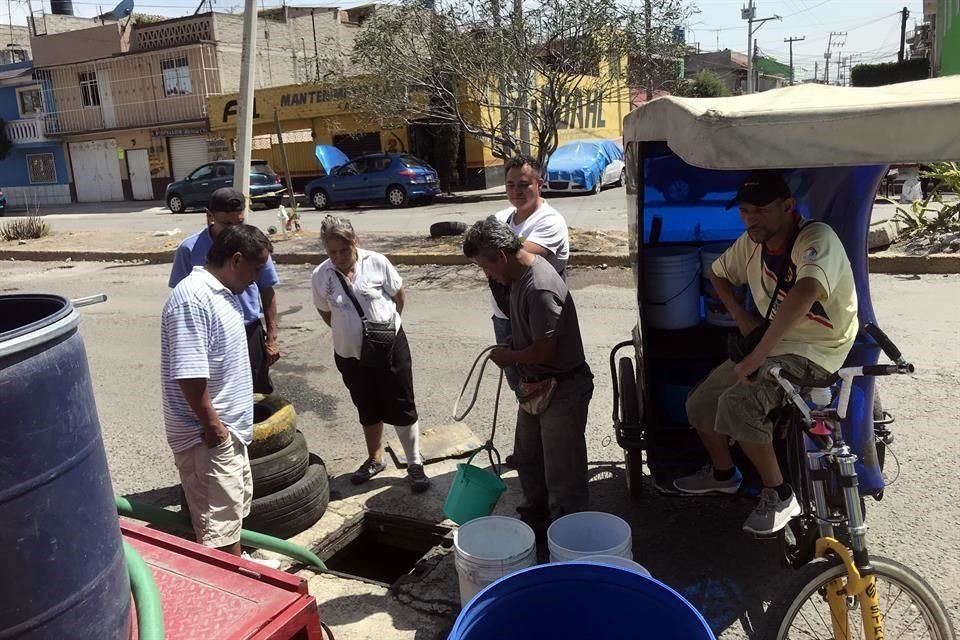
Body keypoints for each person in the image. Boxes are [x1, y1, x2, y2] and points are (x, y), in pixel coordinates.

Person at [676, 171, 859, 537]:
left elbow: (804, 292)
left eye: (760, 209)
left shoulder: (816, 238)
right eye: (745, 211)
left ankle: (780, 493)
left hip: (817, 349)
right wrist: (741, 317)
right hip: (773, 342)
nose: (751, 219)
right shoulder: (751, 243)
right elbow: (717, 272)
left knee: (740, 402)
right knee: (699, 403)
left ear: (788, 206)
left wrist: (756, 356)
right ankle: (724, 474)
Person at [463, 216, 593, 535]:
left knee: (562, 475)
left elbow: (545, 352)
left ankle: (568, 538)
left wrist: (509, 357)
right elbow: (535, 339)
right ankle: (535, 525)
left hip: (562, 387)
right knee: (529, 459)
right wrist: (514, 343)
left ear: (502, 257)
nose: (488, 274)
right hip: (536, 386)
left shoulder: (539, 287)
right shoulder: (518, 279)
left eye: (486, 267)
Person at [161, 224, 272, 556]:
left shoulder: (222, 292)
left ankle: (241, 565)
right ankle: (235, 590)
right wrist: (212, 425)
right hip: (206, 438)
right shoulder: (192, 298)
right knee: (217, 532)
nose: (257, 278)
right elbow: (189, 373)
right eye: (255, 269)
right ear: (236, 260)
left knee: (230, 517)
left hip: (225, 432)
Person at [311, 215, 430, 493]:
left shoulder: (377, 262)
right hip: (350, 354)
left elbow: (399, 297)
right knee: (366, 404)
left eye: (344, 250)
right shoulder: (321, 275)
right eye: (332, 252)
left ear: (355, 242)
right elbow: (325, 312)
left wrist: (384, 330)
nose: (339, 257)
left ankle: (414, 462)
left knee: (401, 401)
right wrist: (351, 333)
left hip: (389, 346)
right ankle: (375, 459)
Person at [169, 188, 281, 395]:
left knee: (258, 394)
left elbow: (267, 288)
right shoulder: (189, 249)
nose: (234, 231)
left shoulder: (254, 244)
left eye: (239, 223)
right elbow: (181, 300)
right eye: (227, 225)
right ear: (209, 216)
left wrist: (272, 338)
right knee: (220, 394)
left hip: (249, 331)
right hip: (212, 338)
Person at [489, 155, 570, 393]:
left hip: (535, 323)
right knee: (520, 388)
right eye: (510, 185)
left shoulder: (550, 221)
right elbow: (484, 254)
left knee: (544, 387)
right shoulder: (499, 218)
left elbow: (515, 260)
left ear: (539, 184)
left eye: (524, 184)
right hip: (503, 318)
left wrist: (491, 254)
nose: (516, 191)